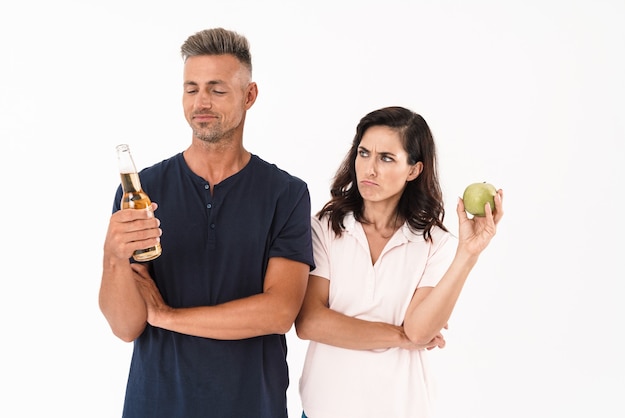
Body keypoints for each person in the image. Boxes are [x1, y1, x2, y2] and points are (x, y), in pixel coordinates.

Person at [99, 27, 314, 418]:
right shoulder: (143, 191)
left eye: (217, 90)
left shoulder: (286, 193)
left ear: (249, 96)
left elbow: (279, 312)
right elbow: (126, 326)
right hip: (156, 404)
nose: (201, 102)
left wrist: (166, 316)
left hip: (252, 406)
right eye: (191, 88)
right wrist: (113, 257)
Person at [294, 106, 504, 418]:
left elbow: (420, 331)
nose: (370, 169)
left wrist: (467, 255)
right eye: (363, 153)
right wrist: (399, 335)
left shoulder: (436, 244)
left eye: (386, 158)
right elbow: (310, 322)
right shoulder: (324, 228)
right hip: (324, 410)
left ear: (414, 170)